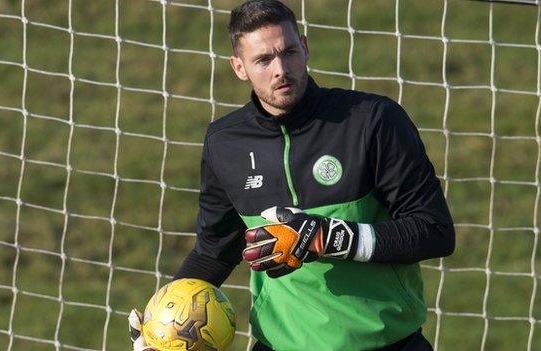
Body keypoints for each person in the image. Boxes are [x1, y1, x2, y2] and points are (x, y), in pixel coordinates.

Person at [130, 0, 455, 350]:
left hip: (388, 345)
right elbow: (214, 251)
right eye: (263, 60)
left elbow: (433, 231)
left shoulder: (373, 120)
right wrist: (160, 325)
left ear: (305, 46)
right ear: (239, 68)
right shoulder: (225, 142)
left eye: (288, 52)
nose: (280, 69)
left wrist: (330, 238)